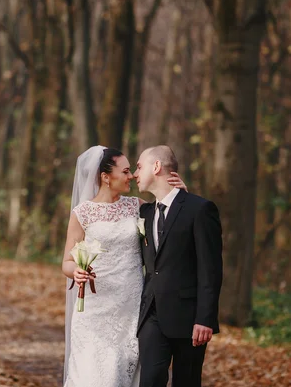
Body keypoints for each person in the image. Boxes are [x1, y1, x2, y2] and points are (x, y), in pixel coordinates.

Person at [62, 146, 187, 387]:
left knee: (122, 375)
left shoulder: (137, 206)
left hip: (130, 308)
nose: (131, 176)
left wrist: (182, 195)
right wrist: (75, 271)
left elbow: (172, 222)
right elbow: (67, 261)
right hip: (95, 310)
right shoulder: (83, 213)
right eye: (126, 171)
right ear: (105, 177)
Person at [133, 145, 223, 387]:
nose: (134, 173)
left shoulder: (200, 209)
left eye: (139, 166)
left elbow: (210, 269)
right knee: (149, 380)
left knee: (187, 382)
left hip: (188, 317)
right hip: (151, 314)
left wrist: (205, 318)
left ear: (157, 167)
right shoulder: (145, 213)